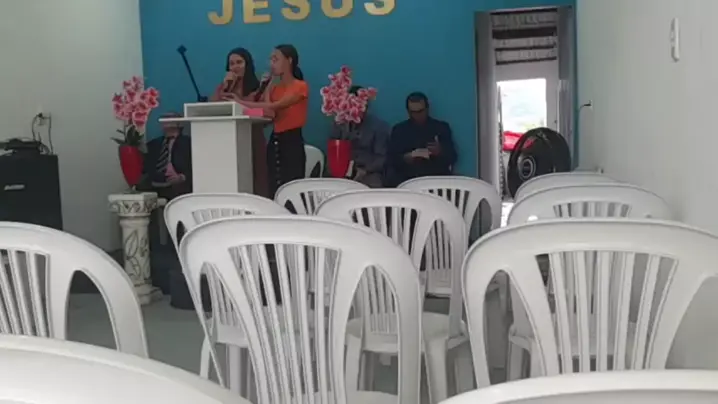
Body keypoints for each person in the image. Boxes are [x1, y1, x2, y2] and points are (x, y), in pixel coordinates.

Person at [236, 44, 308, 197]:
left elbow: (276, 105)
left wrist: (240, 102)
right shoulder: (275, 88)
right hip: (275, 141)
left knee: (291, 186)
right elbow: (270, 113)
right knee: (273, 184)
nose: (271, 64)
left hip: (292, 141)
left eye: (275, 59)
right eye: (271, 60)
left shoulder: (300, 87)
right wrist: (268, 85)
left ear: (289, 60)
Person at [211, 47, 269, 196]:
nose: (235, 67)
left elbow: (264, 113)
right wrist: (225, 87)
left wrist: (240, 105)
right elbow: (212, 110)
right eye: (231, 64)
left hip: (252, 138)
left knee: (255, 181)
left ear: (247, 64)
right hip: (227, 140)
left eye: (239, 62)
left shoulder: (259, 88)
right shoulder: (224, 87)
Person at [386, 92, 457, 187]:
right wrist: (405, 158)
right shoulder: (399, 130)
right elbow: (391, 159)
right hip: (407, 179)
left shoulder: (441, 128)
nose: (417, 115)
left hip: (435, 177)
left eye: (420, 111)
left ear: (427, 109)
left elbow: (452, 157)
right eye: (413, 112)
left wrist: (440, 151)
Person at [331, 85, 390, 187]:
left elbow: (381, 158)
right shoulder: (339, 124)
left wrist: (365, 170)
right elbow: (332, 152)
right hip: (341, 171)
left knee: (374, 185)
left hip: (368, 172)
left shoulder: (379, 126)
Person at [139, 112, 192, 200]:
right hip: (154, 185)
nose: (167, 120)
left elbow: (196, 166)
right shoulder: (153, 144)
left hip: (178, 186)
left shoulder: (189, 143)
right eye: (164, 117)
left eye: (171, 117)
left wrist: (183, 177)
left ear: (180, 123)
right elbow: (146, 167)